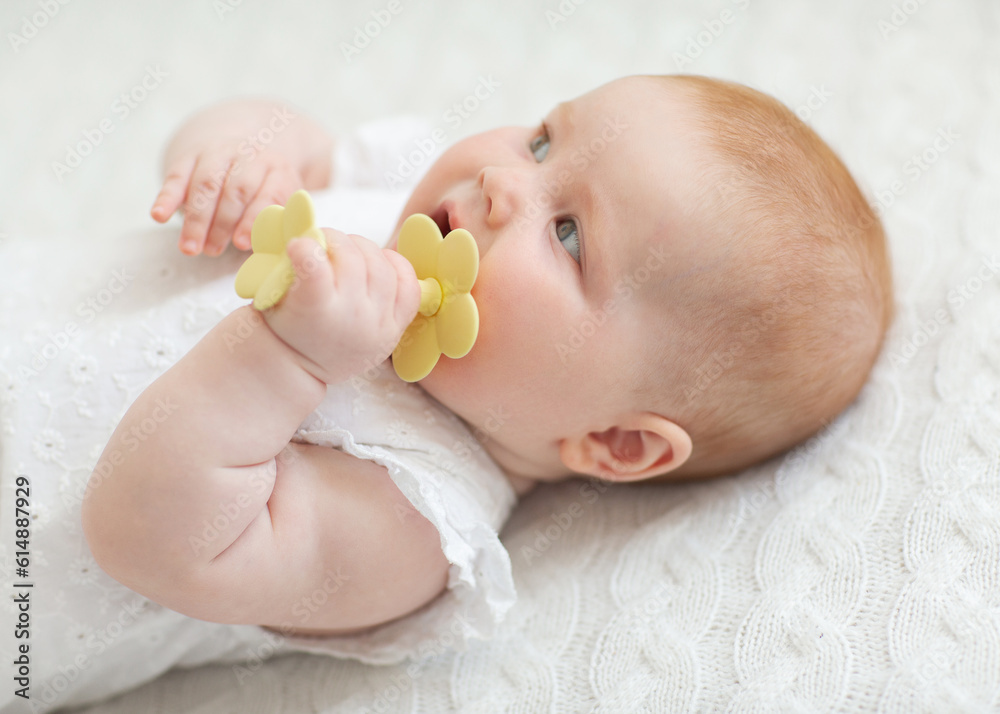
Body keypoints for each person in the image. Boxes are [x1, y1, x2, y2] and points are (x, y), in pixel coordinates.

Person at [2, 74, 891, 712]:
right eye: (544, 138)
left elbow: (145, 537)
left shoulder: (412, 515)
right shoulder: (410, 190)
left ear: (616, 442)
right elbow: (290, 133)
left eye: (571, 235)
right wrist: (240, 152)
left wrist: (284, 358)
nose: (506, 183)